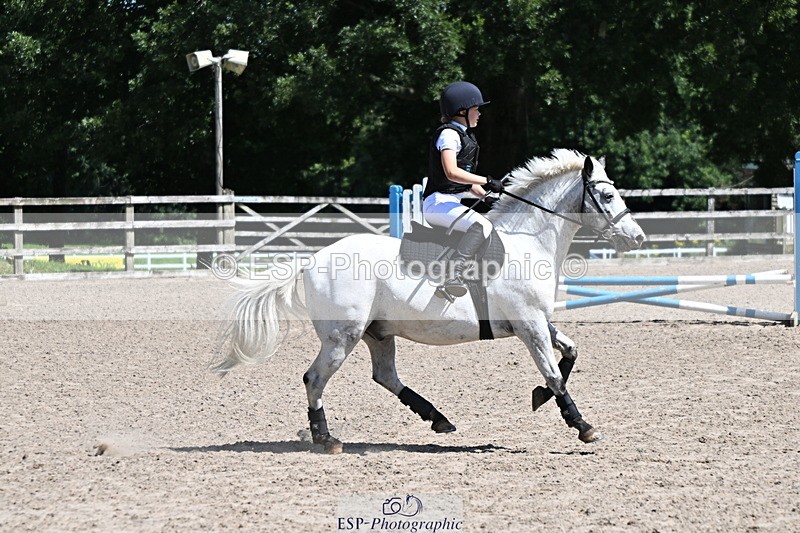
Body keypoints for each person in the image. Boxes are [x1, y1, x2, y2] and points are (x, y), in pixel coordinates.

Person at [422, 81, 505, 299]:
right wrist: (487, 180)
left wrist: (488, 196)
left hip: (450, 202)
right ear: (462, 111)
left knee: (486, 221)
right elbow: (451, 172)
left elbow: (468, 183)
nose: (479, 114)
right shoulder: (448, 135)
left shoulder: (465, 136)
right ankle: (451, 276)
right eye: (476, 109)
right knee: (480, 225)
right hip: (437, 203)